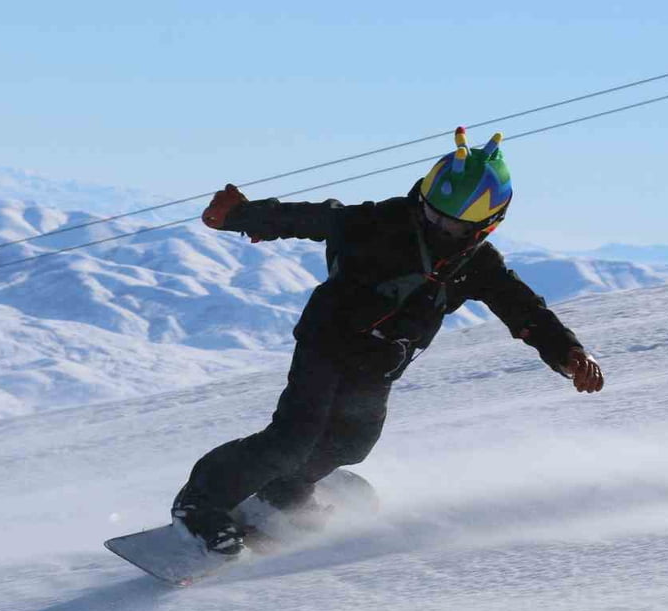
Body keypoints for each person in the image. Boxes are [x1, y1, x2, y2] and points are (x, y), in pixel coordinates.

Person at [172, 127, 604, 555]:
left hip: (380, 362)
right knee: (294, 437)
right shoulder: (383, 222)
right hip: (327, 340)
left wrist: (568, 353)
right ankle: (200, 502)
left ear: (485, 227)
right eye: (433, 213)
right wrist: (241, 215)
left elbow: (525, 309)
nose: (437, 225)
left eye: (452, 224)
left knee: (353, 442)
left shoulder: (478, 265)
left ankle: (282, 495)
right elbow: (315, 218)